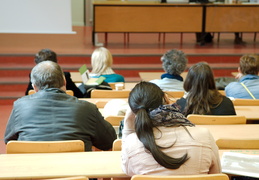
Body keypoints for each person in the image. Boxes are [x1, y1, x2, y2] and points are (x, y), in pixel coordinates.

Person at [5, 61, 117, 151]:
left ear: (34, 87)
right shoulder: (87, 108)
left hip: (31, 174)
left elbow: (8, 140)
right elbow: (109, 140)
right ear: (64, 81)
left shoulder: (20, 106)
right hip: (79, 174)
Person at [122, 81, 221, 176]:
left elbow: (126, 170)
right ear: (167, 100)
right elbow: (217, 175)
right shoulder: (204, 136)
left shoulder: (131, 143)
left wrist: (128, 125)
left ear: (133, 112)